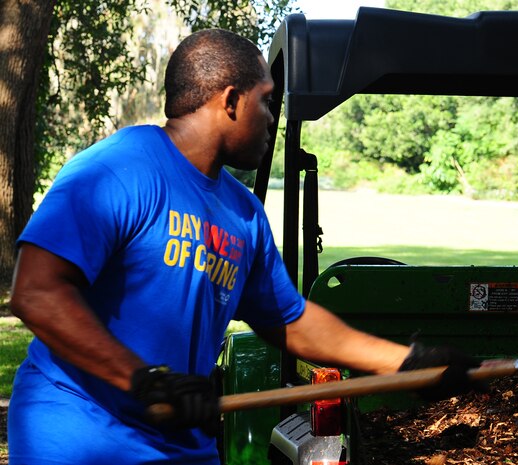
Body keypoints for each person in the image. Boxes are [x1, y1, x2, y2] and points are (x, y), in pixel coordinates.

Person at [7, 29, 480, 465]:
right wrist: (143, 379)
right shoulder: (120, 170)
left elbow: (288, 320)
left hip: (179, 444)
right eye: (266, 102)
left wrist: (405, 363)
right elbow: (36, 292)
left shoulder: (244, 213)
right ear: (231, 101)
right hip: (79, 434)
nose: (272, 118)